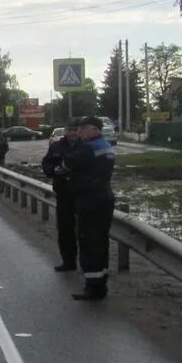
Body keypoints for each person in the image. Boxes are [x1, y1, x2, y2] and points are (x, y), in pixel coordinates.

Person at [63, 116, 116, 301]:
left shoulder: (88, 148)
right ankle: (101, 283)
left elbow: (68, 163)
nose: (80, 132)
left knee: (88, 242)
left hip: (89, 200)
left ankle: (92, 287)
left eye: (83, 129)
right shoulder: (106, 146)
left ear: (94, 129)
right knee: (101, 242)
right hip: (104, 197)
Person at [42, 118, 81, 272]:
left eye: (75, 130)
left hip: (82, 193)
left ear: (80, 131)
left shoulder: (85, 146)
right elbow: (46, 163)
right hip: (63, 193)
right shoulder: (57, 146)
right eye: (70, 130)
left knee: (84, 230)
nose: (72, 133)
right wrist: (54, 171)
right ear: (65, 130)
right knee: (65, 229)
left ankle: (86, 263)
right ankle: (68, 261)